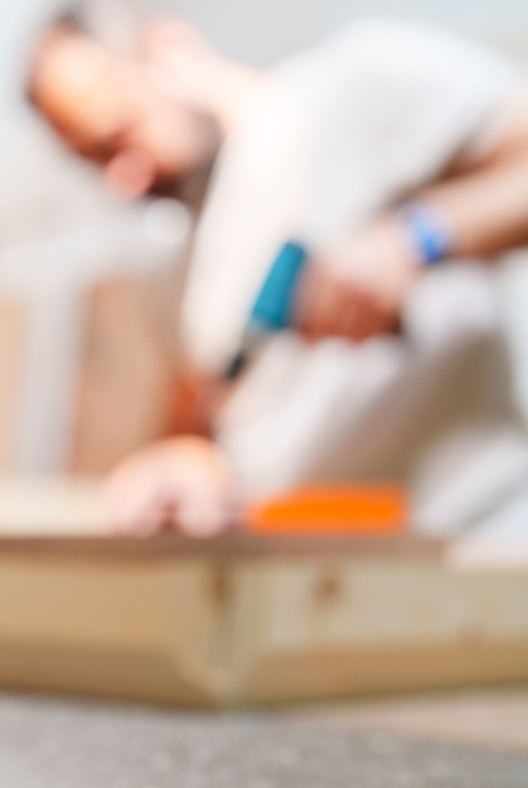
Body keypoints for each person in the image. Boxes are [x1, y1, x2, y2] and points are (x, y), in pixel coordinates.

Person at [29, 4, 528, 538]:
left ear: (170, 52)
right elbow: (207, 427)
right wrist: (187, 465)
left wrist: (417, 238)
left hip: (477, 553)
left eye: (119, 134)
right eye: (92, 161)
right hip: (318, 589)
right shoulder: (171, 270)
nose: (121, 181)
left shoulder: (358, 84)